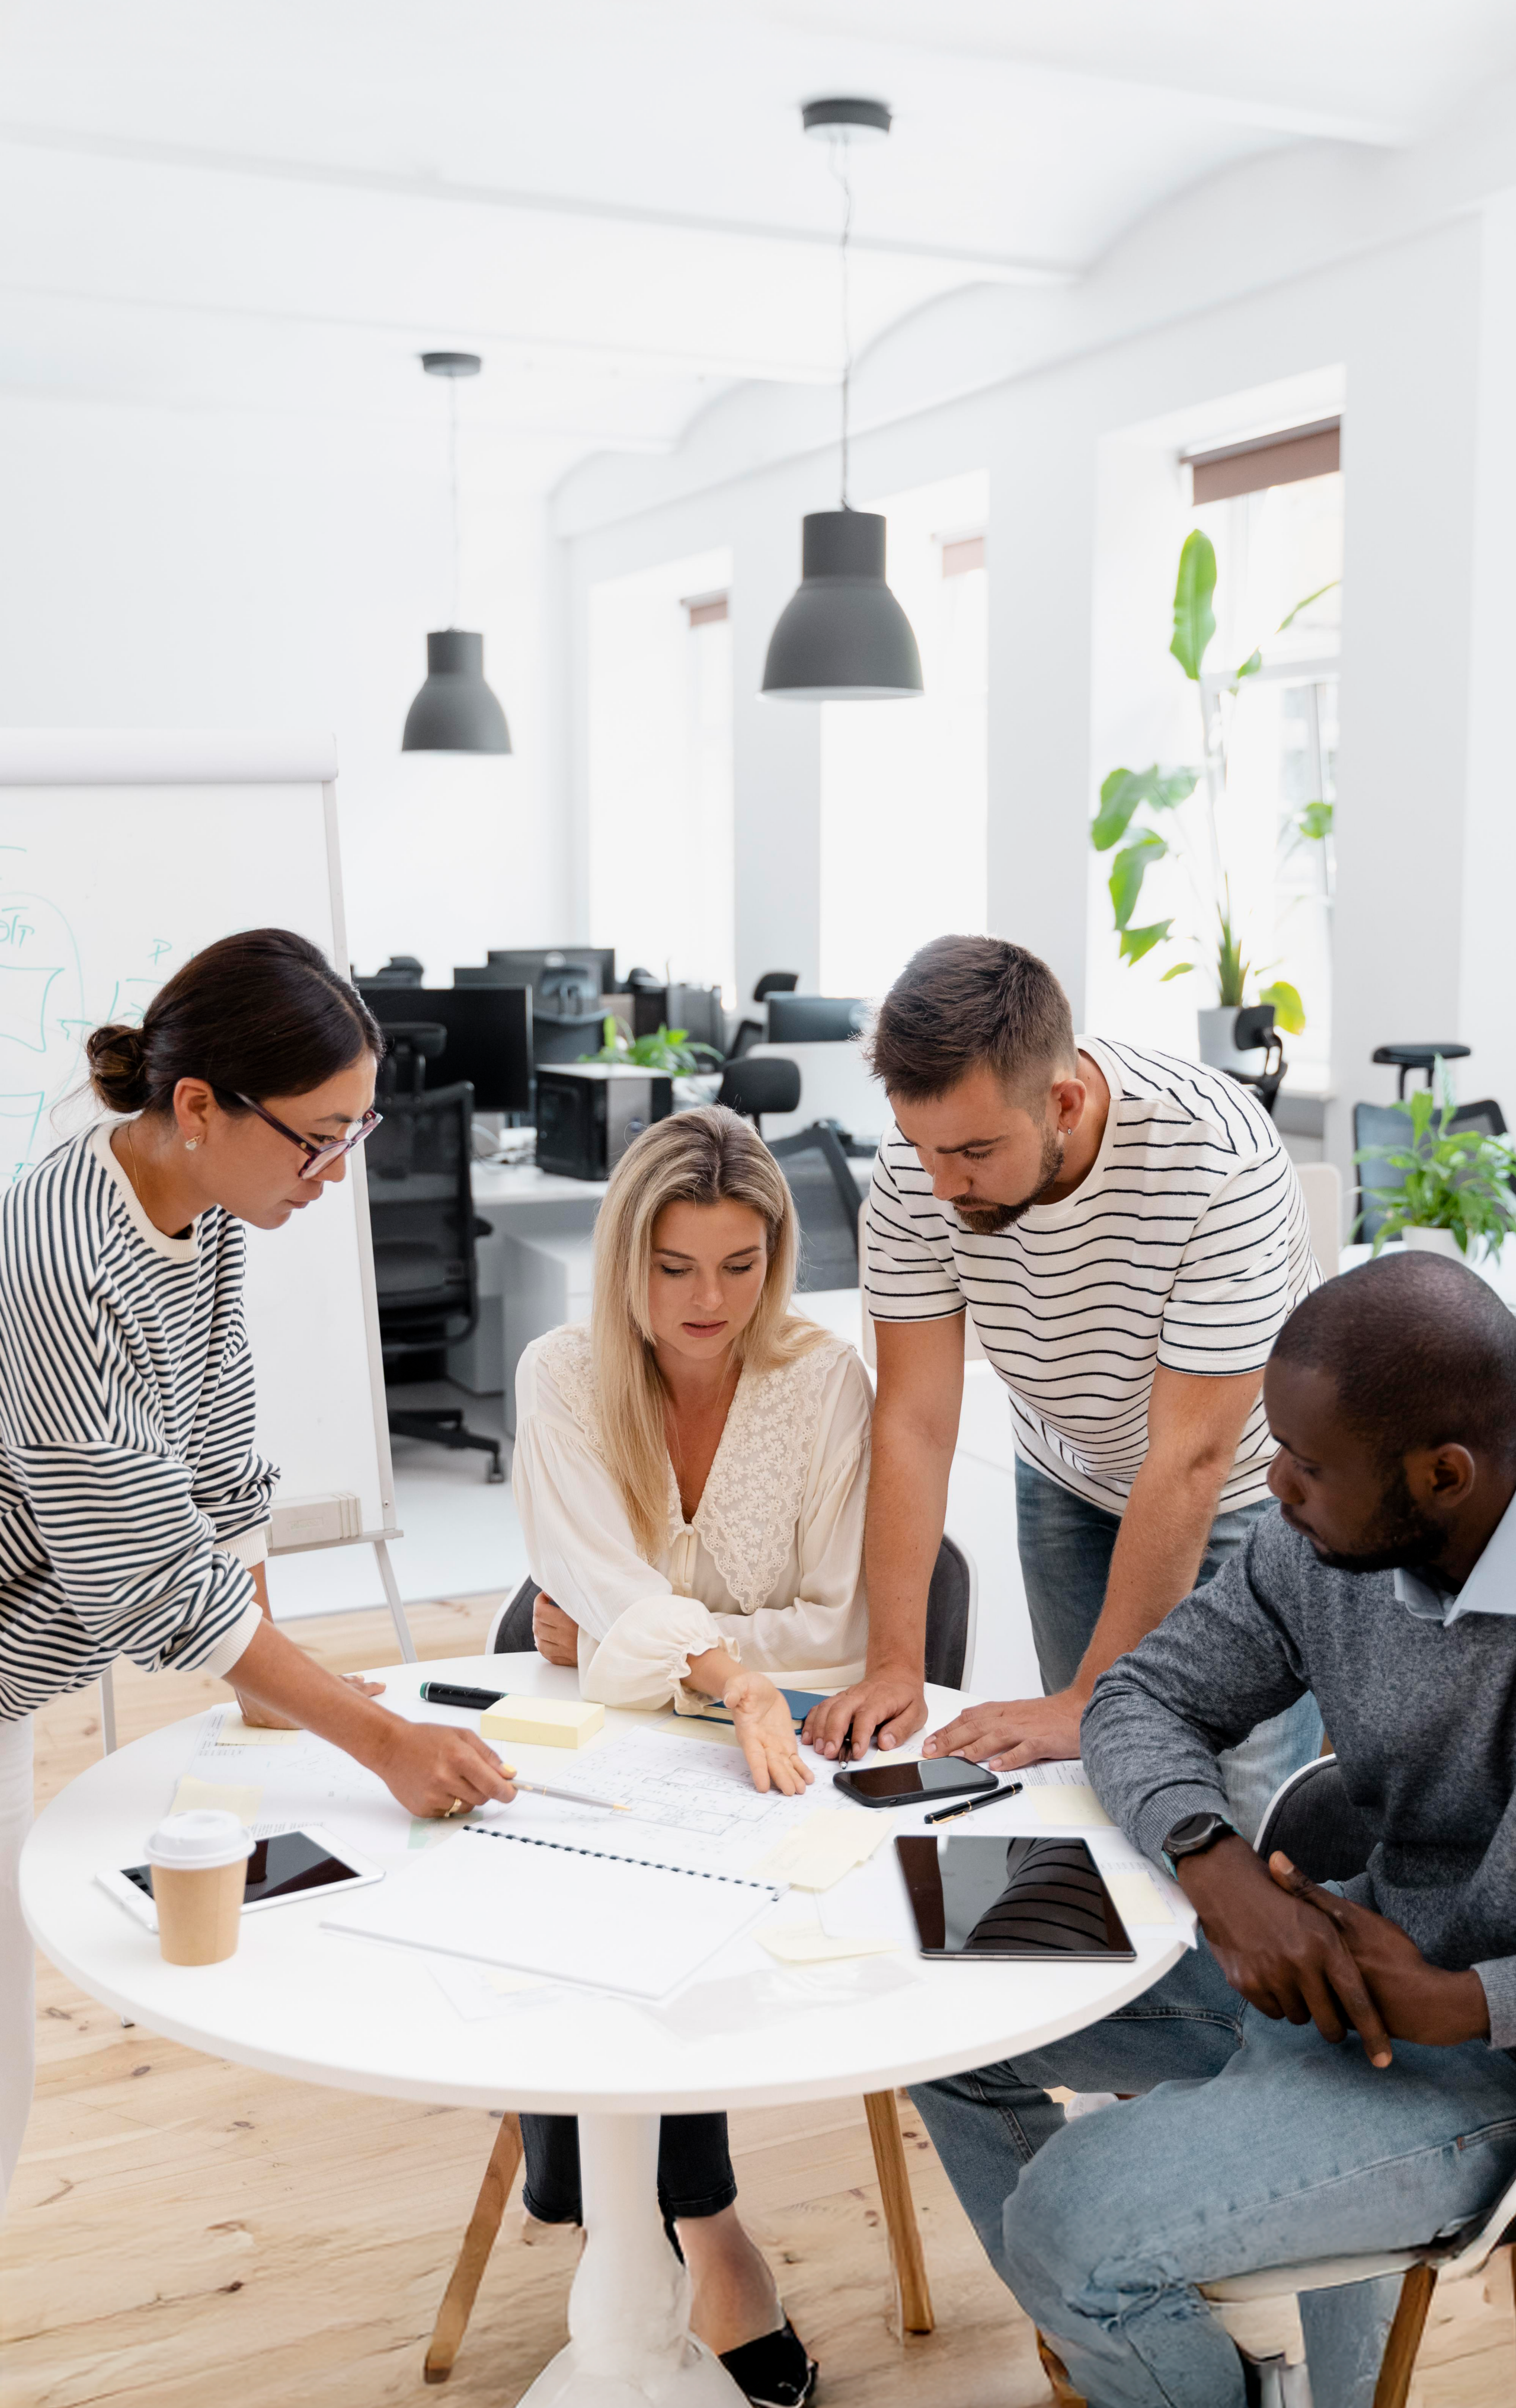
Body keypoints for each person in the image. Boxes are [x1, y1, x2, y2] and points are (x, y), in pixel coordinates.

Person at [911, 1251, 1516, 2408]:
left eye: (1306, 1464)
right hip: (1323, 1957)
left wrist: (1465, 2003)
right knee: (941, 1958)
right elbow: (1138, 1698)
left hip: (1472, 2063)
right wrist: (1214, 1864)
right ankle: (1155, 2336)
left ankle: (1118, 2296)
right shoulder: (1322, 1535)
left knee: (1072, 2230)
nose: (1273, 1488)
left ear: (1442, 1475)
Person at [0, 929, 519, 2209]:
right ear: (197, 1108)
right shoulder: (62, 1258)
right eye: (318, 1136)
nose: (339, 1173)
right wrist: (372, 1736)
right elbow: (148, 1581)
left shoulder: (207, 1206)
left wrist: (272, 1712)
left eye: (359, 1132)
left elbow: (223, 1471)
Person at [510, 1103, 872, 2408]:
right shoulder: (560, 1373)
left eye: (740, 1264)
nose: (708, 1300)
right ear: (625, 1263)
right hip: (602, 1709)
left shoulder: (826, 1380)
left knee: (703, 1897)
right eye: (673, 1268)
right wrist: (699, 1660)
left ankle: (629, 2215)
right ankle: (704, 2229)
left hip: (735, 1718)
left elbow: (837, 1628)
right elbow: (587, 1585)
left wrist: (625, 1636)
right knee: (593, 1883)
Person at [807, 935, 1321, 1836]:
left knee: (1233, 1819)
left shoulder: (1216, 1159)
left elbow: (1191, 1455)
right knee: (1096, 1789)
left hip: (1245, 1493)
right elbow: (915, 1422)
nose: (940, 1184)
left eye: (970, 1150)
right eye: (921, 1146)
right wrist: (894, 1661)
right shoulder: (917, 1171)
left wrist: (1090, 1692)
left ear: (1064, 1102)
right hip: (1067, 1473)